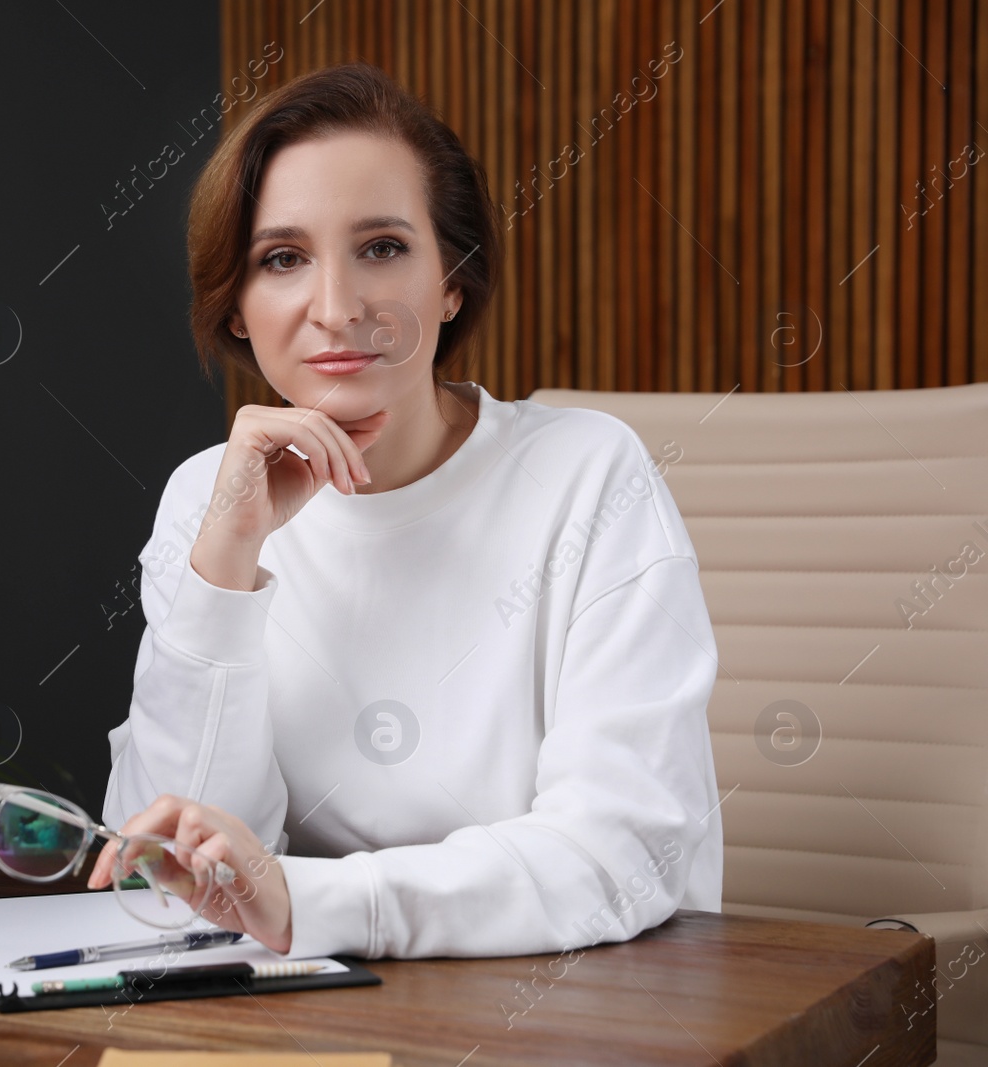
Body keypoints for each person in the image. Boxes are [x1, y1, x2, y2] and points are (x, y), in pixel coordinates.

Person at [86, 62, 723, 961]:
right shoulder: (206, 498)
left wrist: (314, 901)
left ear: (452, 283)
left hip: (575, 1011)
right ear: (235, 309)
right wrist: (223, 569)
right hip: (305, 1019)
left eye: (382, 247)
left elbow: (622, 855)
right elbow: (167, 874)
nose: (339, 309)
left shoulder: (589, 475)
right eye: (282, 259)